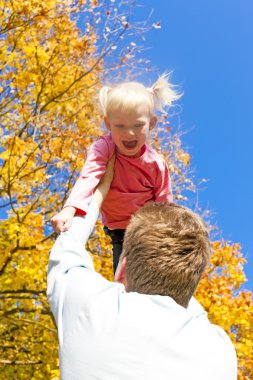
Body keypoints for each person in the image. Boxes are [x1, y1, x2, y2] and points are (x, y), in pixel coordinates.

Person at [47, 158, 237, 380]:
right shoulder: (219, 354)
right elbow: (187, 298)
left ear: (123, 268)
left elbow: (68, 240)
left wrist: (100, 189)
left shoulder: (88, 307)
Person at [51, 73, 180, 272]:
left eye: (138, 125)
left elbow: (164, 202)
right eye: (120, 126)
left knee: (148, 273)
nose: (129, 133)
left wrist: (167, 235)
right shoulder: (104, 147)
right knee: (123, 276)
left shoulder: (156, 164)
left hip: (144, 228)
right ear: (108, 124)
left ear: (152, 123)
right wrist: (69, 209)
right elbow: (89, 176)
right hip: (118, 230)